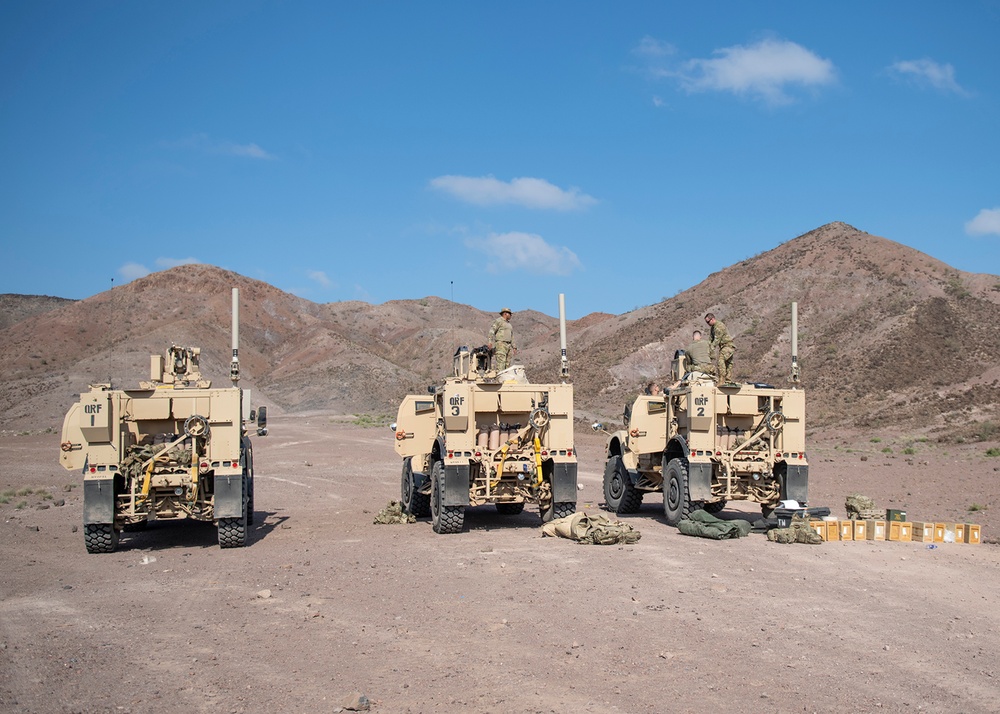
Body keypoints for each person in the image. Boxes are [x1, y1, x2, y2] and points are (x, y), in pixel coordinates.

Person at [705, 313, 736, 384]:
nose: (707, 324)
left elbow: (716, 340)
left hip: (728, 346)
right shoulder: (713, 328)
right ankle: (728, 380)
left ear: (712, 319)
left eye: (708, 322)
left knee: (721, 361)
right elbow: (710, 340)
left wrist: (710, 349)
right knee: (728, 364)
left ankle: (722, 380)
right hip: (723, 347)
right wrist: (707, 347)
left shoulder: (719, 326)